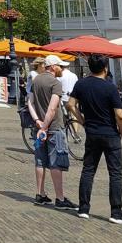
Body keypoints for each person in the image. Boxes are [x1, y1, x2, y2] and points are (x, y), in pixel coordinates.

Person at [70, 52, 122, 224]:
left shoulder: (81, 84)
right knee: (115, 173)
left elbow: (70, 104)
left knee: (88, 169)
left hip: (92, 132)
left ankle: (83, 208)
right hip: (110, 133)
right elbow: (120, 115)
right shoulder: (110, 87)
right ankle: (116, 211)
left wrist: (82, 121)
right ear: (105, 68)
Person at [28, 55, 75, 210]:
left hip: (38, 127)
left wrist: (37, 122)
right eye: (60, 66)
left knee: (40, 161)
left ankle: (40, 194)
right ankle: (60, 198)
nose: (62, 69)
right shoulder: (55, 83)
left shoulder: (36, 81)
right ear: (53, 67)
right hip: (53, 127)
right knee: (56, 162)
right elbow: (53, 108)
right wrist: (45, 125)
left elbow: (30, 103)